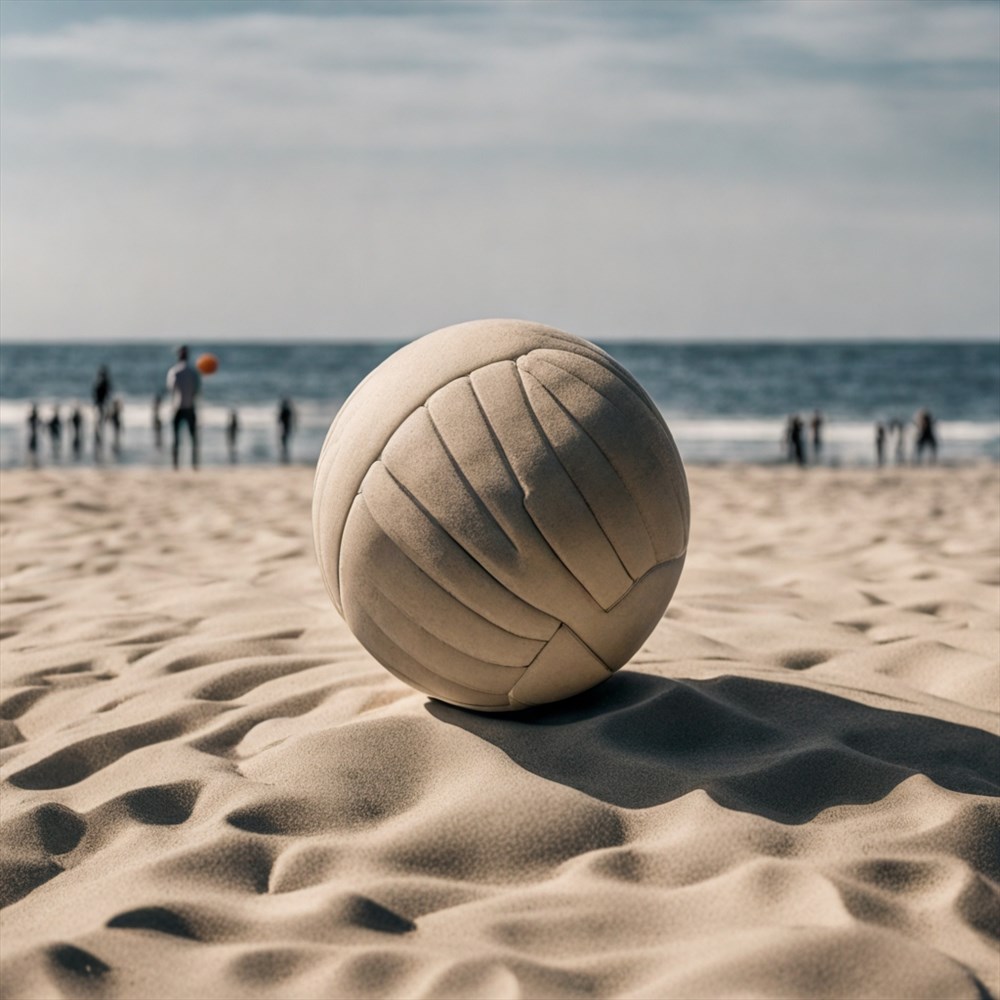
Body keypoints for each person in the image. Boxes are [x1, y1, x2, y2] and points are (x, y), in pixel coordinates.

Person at [166, 346, 201, 469]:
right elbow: (196, 391)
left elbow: (171, 389)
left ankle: (175, 465)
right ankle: (194, 464)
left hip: (178, 407)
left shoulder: (174, 372)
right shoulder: (193, 372)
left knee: (176, 439)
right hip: (190, 407)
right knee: (193, 439)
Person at [92, 366, 112, 453]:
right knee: (100, 424)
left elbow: (95, 396)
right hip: (102, 406)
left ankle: (98, 440)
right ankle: (99, 439)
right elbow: (108, 397)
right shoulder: (106, 384)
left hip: (99, 406)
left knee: (98, 424)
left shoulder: (99, 384)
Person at [277, 397, 295, 463]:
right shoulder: (288, 411)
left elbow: (278, 420)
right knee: (285, 441)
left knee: (284, 441)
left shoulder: (283, 411)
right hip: (287, 427)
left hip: (284, 428)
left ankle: (284, 454)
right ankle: (285, 454)